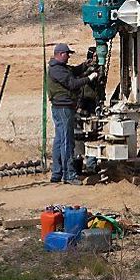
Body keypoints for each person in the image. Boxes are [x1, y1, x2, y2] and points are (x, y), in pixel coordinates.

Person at [47, 43, 98, 185]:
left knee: (59, 140)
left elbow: (74, 71)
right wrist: (90, 78)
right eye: (67, 54)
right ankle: (69, 174)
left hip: (62, 107)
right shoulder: (57, 70)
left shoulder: (61, 68)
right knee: (67, 141)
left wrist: (85, 65)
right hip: (63, 108)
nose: (69, 57)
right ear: (60, 54)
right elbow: (72, 84)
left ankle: (57, 173)